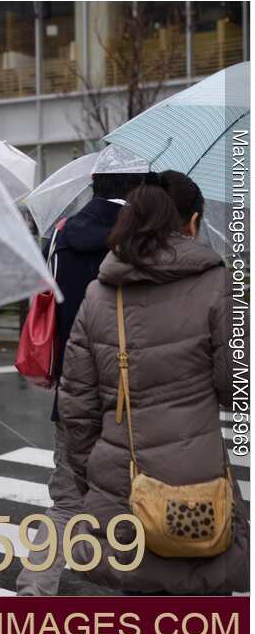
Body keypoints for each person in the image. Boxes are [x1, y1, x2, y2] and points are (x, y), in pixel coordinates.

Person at [58, 170, 248, 595]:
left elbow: (76, 407)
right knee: (204, 615)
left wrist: (92, 476)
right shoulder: (217, 285)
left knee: (138, 610)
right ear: (192, 224)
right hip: (196, 486)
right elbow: (238, 388)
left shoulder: (99, 295)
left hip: (121, 482)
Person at [16, 170, 144, 596]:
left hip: (74, 388)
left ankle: (33, 590)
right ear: (135, 188)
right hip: (131, 394)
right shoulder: (142, 236)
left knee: (67, 501)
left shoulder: (61, 234)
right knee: (141, 504)